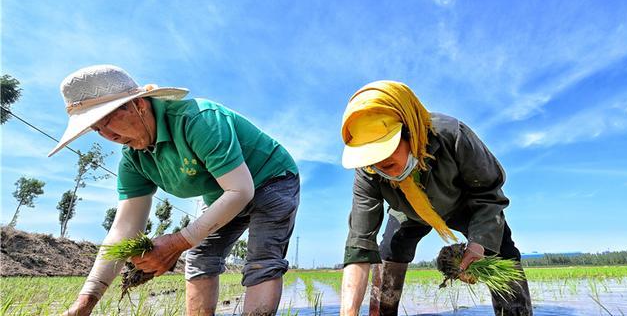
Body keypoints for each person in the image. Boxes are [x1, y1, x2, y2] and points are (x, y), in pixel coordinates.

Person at [49, 65, 300, 316]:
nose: (108, 135)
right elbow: (123, 229)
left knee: (261, 261)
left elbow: (240, 191)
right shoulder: (133, 160)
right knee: (200, 259)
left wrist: (176, 242)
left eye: (108, 121)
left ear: (139, 105)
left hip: (272, 177)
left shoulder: (199, 120)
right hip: (220, 195)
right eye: (97, 130)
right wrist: (85, 302)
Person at [338, 80, 532, 316]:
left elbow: (489, 194)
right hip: (407, 209)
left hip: (465, 203)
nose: (380, 166)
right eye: (372, 160)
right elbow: (360, 242)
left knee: (503, 252)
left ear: (410, 131)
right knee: (390, 250)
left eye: (386, 154)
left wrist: (479, 244)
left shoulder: (453, 136)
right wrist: (348, 311)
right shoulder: (367, 170)